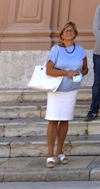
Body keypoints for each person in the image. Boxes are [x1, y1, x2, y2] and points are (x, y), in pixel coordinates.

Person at [42, 21, 89, 168]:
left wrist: (79, 73)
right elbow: (49, 70)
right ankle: (50, 154)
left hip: (72, 89)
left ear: (75, 34)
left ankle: (59, 152)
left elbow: (86, 69)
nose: (69, 33)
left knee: (65, 120)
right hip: (57, 89)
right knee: (53, 120)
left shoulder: (81, 50)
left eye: (72, 30)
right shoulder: (56, 50)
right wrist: (66, 73)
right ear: (61, 35)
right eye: (66, 31)